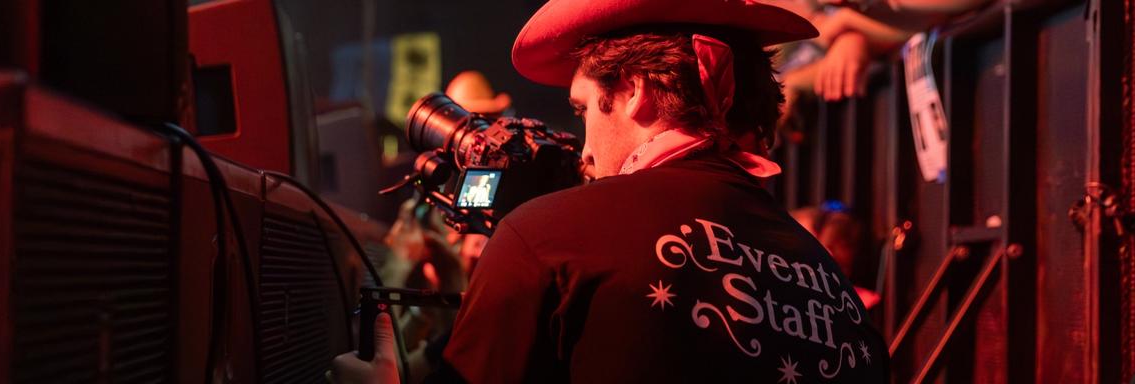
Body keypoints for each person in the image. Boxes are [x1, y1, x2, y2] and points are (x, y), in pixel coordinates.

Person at [335, 0, 889, 382]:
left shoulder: (543, 238)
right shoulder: (835, 289)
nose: (584, 152)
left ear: (635, 91)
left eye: (581, 110)